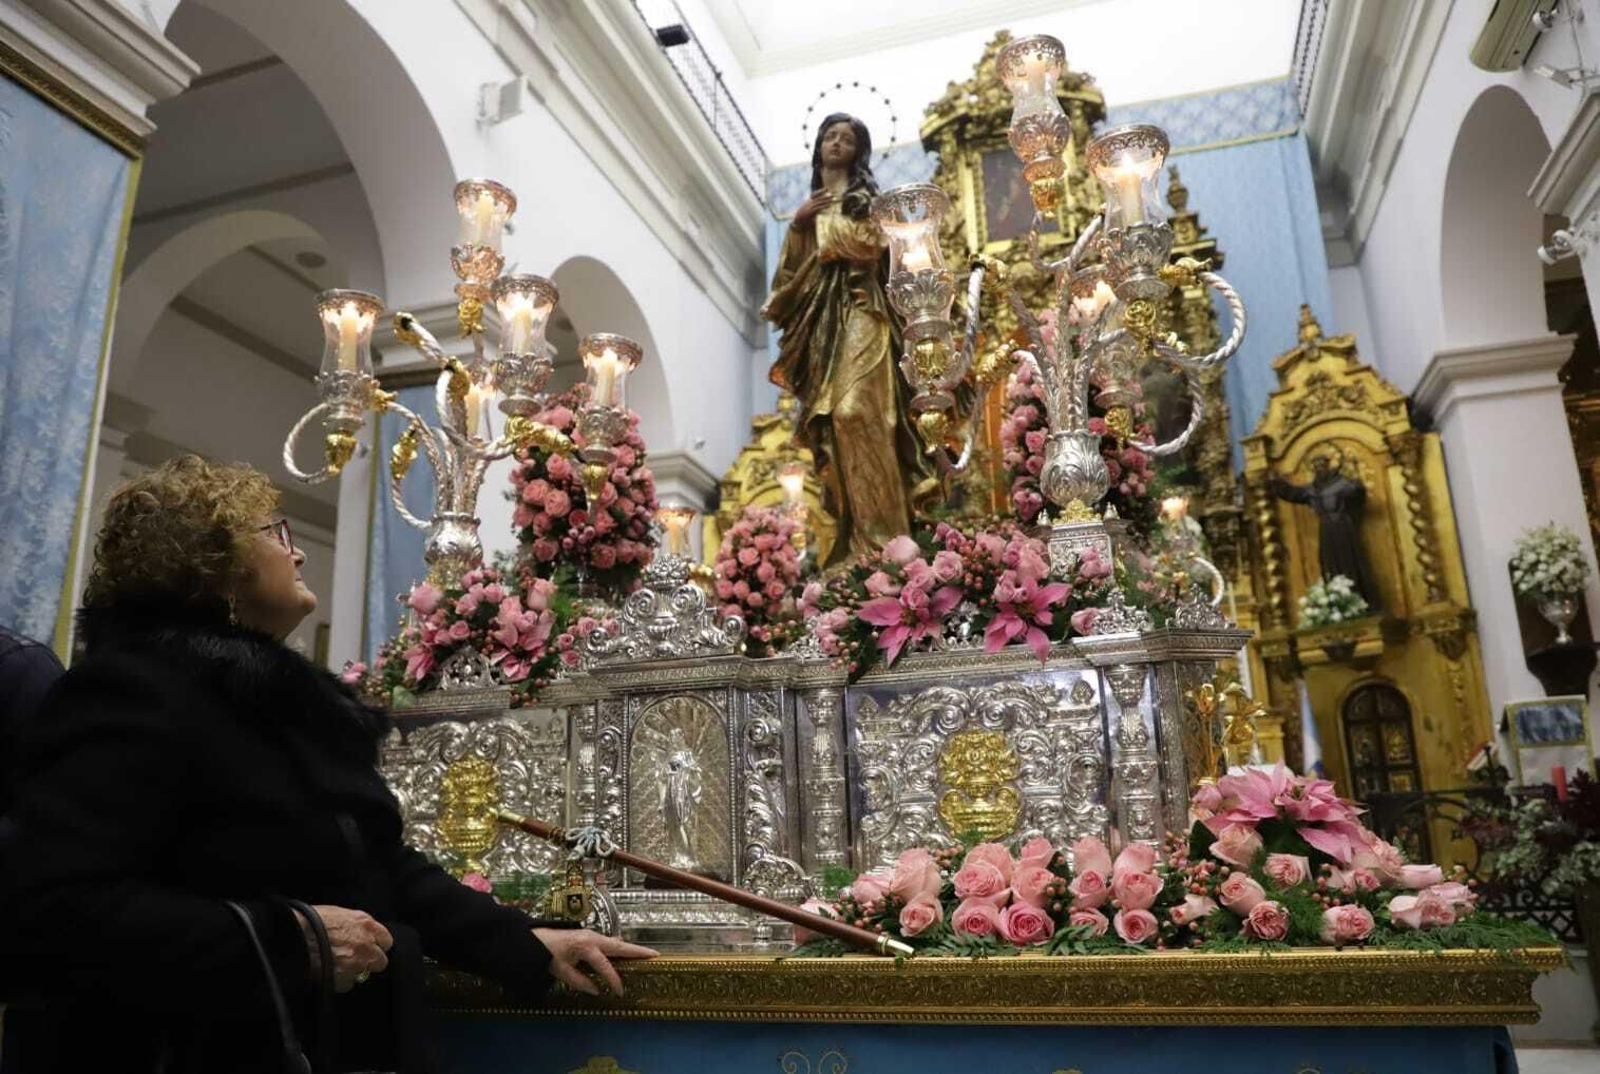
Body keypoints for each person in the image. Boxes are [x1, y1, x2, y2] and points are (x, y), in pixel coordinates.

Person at [0, 456, 653, 1074]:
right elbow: (55, 909)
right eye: (276, 533)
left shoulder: (273, 705)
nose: (300, 549)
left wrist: (526, 944)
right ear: (213, 565)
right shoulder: (128, 694)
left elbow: (375, 864)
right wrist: (291, 939)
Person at [762, 112, 936, 566]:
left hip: (865, 310)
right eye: (831, 136)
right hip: (823, 327)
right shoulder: (808, 212)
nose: (837, 143)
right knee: (837, 427)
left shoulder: (867, 202)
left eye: (847, 138)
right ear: (818, 146)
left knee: (859, 411)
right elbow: (785, 281)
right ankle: (859, 543)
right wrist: (800, 225)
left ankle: (893, 543)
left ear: (858, 152)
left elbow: (872, 246)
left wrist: (829, 233)